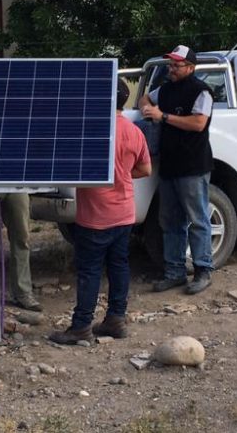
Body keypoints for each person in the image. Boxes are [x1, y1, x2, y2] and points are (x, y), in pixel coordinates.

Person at [50, 79, 151, 344]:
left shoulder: (92, 132)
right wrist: (121, 175)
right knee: (119, 266)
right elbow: (145, 169)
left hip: (95, 217)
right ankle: (116, 319)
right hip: (125, 212)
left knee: (90, 271)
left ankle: (81, 325)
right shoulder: (133, 131)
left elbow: (72, 171)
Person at [139, 45, 215, 295]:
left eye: (176, 65)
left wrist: (163, 117)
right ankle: (175, 272)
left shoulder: (201, 91)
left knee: (197, 219)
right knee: (170, 221)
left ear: (191, 68)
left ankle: (203, 270)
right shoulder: (166, 88)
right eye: (170, 64)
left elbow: (198, 123)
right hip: (169, 166)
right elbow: (147, 98)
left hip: (193, 165)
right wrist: (146, 108)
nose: (171, 69)